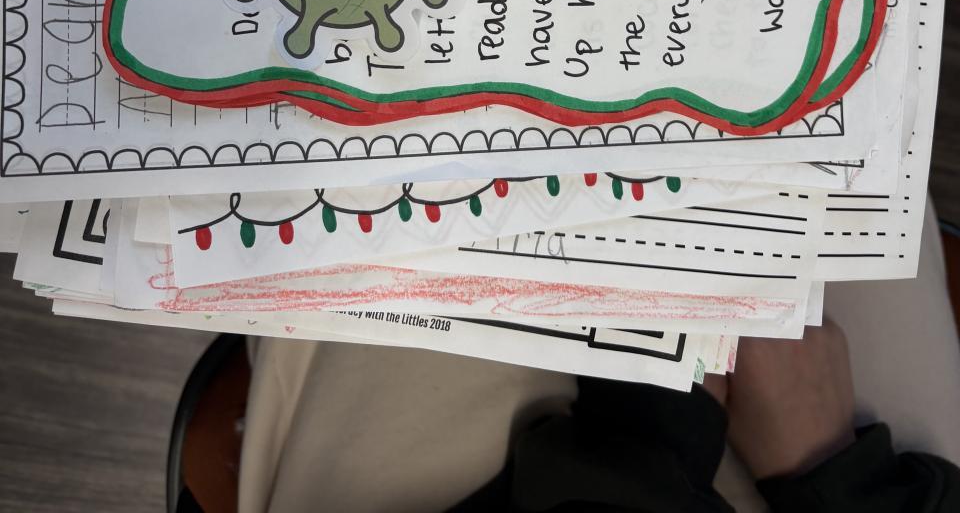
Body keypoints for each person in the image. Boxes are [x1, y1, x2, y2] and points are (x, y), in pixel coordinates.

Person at [230, 200, 960, 512]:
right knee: (854, 96)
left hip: (532, 481)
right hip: (830, 480)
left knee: (380, 180)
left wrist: (659, 416)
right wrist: (837, 482)